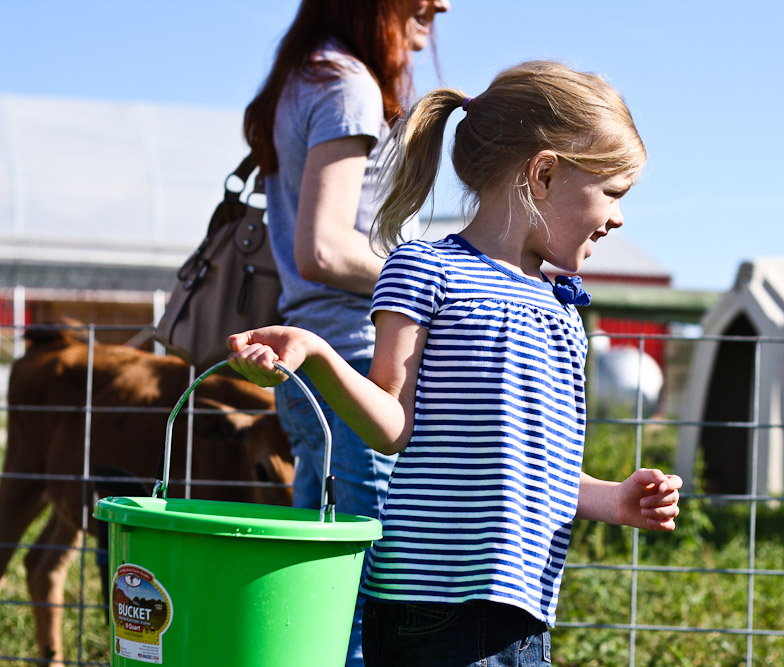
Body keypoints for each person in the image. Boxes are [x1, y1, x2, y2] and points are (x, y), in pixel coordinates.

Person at [228, 60, 683, 667]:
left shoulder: (562, 310)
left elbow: (533, 468)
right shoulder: (427, 270)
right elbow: (391, 424)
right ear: (543, 174)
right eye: (612, 193)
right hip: (428, 606)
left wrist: (613, 500)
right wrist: (316, 354)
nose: (619, 217)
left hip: (519, 614)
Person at [241, 1, 449, 664]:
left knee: (320, 595)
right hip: (356, 365)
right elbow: (324, 249)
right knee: (367, 602)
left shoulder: (310, 74)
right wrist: (428, 277)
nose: (442, 4)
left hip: (317, 365)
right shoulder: (348, 86)